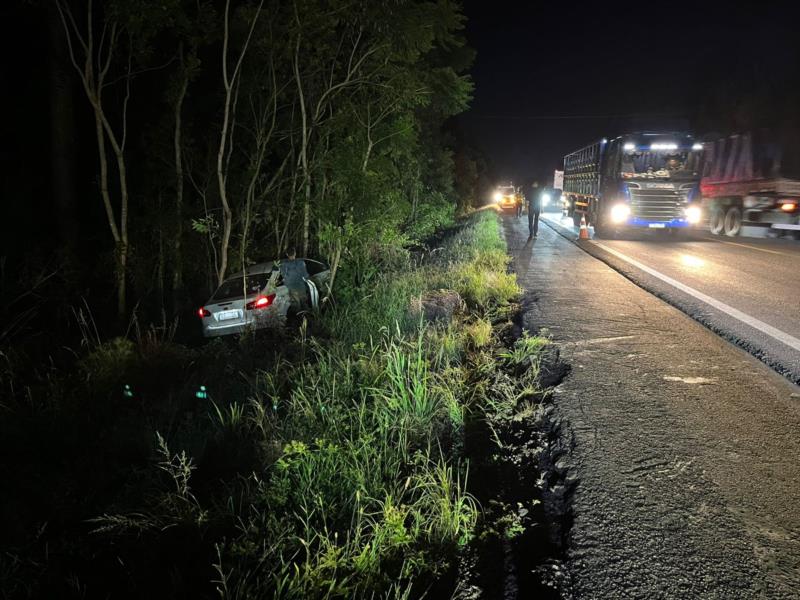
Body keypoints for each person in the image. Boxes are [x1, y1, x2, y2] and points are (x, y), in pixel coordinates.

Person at [279, 248, 310, 312]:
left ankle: (299, 319)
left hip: (291, 288)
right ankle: (307, 317)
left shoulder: (283, 265)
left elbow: (283, 276)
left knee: (296, 307)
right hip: (301, 287)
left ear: (287, 254)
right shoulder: (301, 263)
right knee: (304, 304)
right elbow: (306, 275)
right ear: (295, 253)